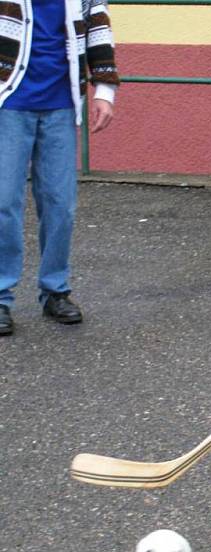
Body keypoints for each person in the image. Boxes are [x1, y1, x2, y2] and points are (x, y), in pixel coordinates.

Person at [0, 0, 120, 336]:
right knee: (3, 203)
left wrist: (105, 90)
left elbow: (98, 28)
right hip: (7, 103)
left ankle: (55, 291)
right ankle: (0, 296)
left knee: (60, 204)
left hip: (61, 103)